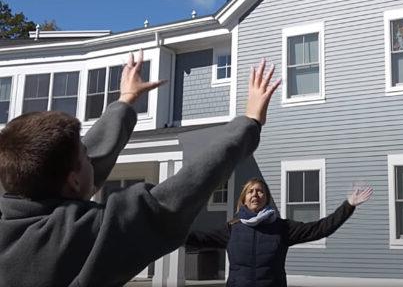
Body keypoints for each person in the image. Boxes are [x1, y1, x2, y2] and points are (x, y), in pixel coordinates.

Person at [0, 51, 280, 287]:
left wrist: (124, 102)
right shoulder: (71, 239)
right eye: (84, 155)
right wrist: (249, 124)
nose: (91, 156)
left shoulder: (18, 209)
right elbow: (165, 204)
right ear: (72, 180)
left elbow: (84, 169)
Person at [187, 178, 373, 287]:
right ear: (244, 199)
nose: (255, 194)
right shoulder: (232, 228)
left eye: (260, 191)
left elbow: (320, 228)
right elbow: (198, 239)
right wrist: (167, 230)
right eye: (250, 191)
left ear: (266, 198)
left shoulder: (281, 227)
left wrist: (348, 205)